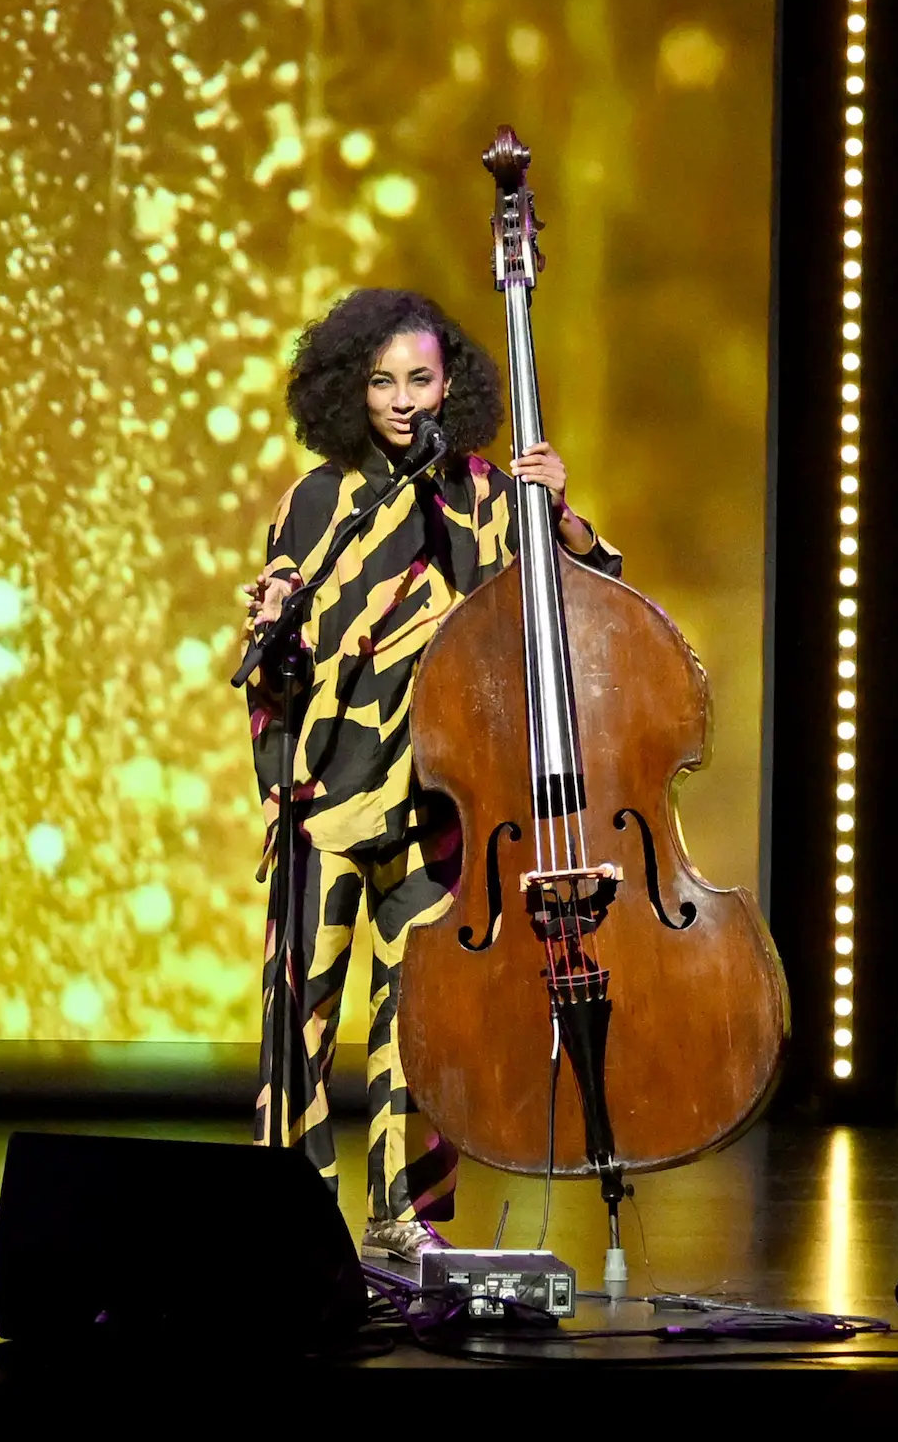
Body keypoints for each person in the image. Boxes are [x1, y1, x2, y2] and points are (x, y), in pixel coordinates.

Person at [242, 287, 620, 1262]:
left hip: (436, 804)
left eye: (420, 378)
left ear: (452, 384)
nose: (404, 399)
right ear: (348, 390)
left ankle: (403, 1220)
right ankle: (294, 1221)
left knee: (415, 1026)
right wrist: (278, 754)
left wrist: (559, 510)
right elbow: (278, 655)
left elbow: (585, 597)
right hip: (325, 796)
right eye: (382, 381)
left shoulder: (489, 495)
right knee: (300, 1028)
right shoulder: (315, 501)